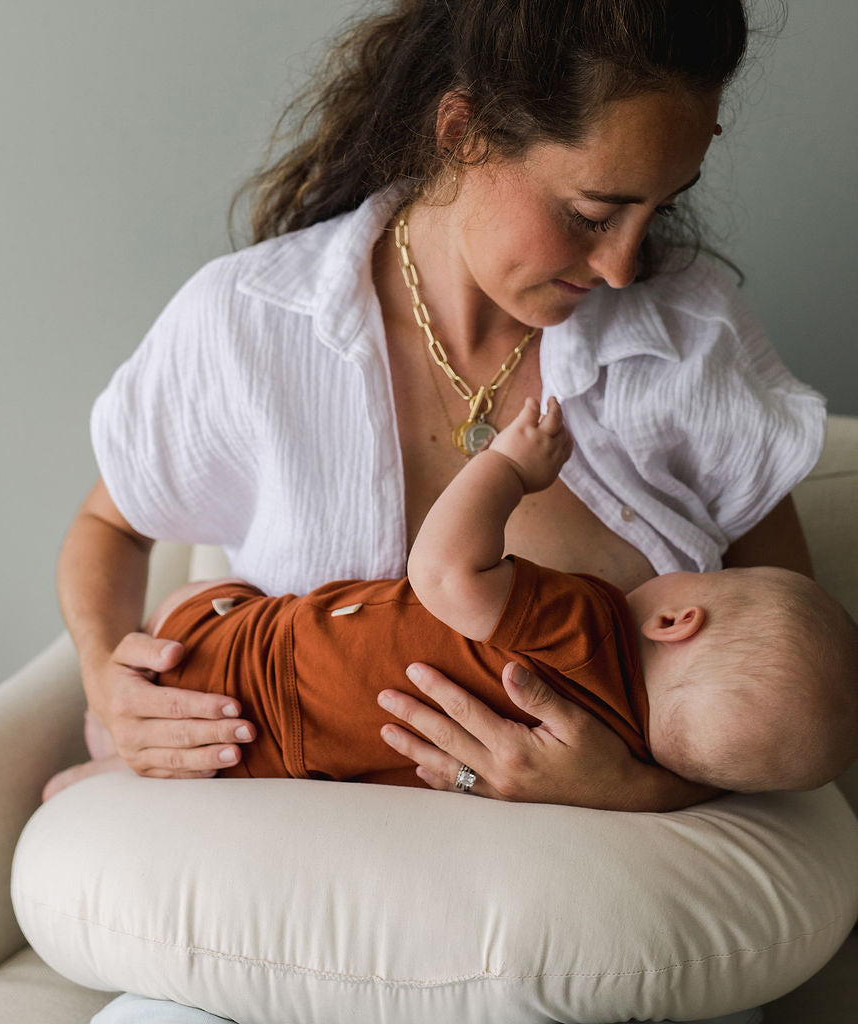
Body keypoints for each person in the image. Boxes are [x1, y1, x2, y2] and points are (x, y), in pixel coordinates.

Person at [58, 0, 843, 811]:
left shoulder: (689, 339)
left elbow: (789, 684)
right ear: (462, 131)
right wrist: (109, 689)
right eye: (593, 213)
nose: (621, 266)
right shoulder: (249, 324)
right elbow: (108, 528)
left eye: (658, 207)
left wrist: (630, 789)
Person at [47, 397, 857, 802]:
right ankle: (103, 768)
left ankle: (107, 755)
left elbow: (441, 571)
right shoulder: (617, 763)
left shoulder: (590, 624)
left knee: (203, 605)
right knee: (204, 739)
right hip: (295, 765)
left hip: (257, 652)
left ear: (681, 618)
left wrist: (513, 469)